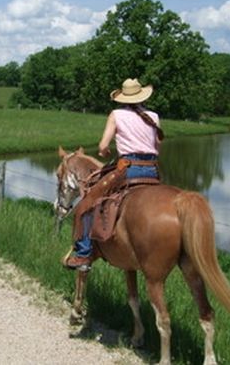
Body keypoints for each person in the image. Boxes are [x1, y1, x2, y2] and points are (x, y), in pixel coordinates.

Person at [63, 78, 163, 270]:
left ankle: (83, 255)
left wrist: (104, 152)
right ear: (142, 96)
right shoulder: (154, 116)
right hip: (152, 170)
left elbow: (102, 146)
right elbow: (157, 146)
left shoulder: (116, 114)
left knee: (86, 205)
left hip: (127, 169)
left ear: (123, 98)